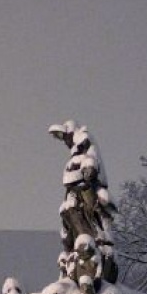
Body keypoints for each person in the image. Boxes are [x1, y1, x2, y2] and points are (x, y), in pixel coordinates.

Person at [48, 120, 119, 281]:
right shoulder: (75, 156)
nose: (65, 141)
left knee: (92, 208)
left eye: (65, 137)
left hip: (89, 190)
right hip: (75, 192)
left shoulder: (86, 143)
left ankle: (98, 234)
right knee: (67, 213)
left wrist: (87, 171)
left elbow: (91, 164)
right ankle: (71, 244)